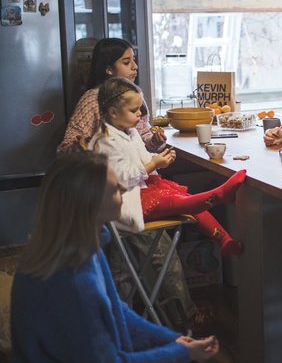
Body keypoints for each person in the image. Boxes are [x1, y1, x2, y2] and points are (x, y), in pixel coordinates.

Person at [11, 151, 219, 362]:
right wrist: (181, 354)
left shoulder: (81, 245)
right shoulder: (72, 281)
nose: (123, 188)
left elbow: (114, 311)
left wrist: (170, 340)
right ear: (89, 203)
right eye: (114, 189)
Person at [57, 37, 199, 332]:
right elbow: (67, 149)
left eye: (134, 60)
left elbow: (140, 137)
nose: (135, 67)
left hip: (137, 184)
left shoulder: (132, 94)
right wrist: (101, 148)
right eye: (126, 61)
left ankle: (127, 322)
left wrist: (153, 141)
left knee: (124, 265)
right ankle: (184, 319)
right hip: (116, 195)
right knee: (156, 250)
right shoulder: (93, 99)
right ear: (107, 69)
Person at [90, 77, 246, 256]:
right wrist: (153, 164)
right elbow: (122, 179)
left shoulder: (130, 132)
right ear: (113, 112)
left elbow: (144, 158)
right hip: (123, 203)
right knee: (180, 203)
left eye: (139, 108)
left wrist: (159, 159)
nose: (139, 114)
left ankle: (224, 240)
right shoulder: (105, 141)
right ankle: (216, 196)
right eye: (133, 110)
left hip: (141, 190)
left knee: (184, 198)